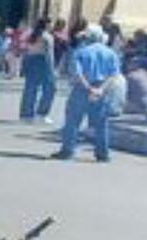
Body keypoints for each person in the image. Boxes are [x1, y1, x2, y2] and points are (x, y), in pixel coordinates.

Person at [53, 25, 122, 162]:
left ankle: (68, 150)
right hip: (102, 90)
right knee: (101, 123)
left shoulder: (80, 52)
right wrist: (100, 89)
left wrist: (89, 88)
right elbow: (113, 75)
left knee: (73, 120)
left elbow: (78, 74)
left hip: (82, 89)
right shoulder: (110, 53)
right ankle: (102, 154)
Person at [19, 18, 56, 123]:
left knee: (30, 88)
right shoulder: (47, 37)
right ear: (47, 25)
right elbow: (49, 54)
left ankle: (26, 114)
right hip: (42, 61)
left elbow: (26, 50)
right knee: (50, 88)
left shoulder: (31, 35)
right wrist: (52, 69)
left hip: (31, 60)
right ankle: (42, 113)